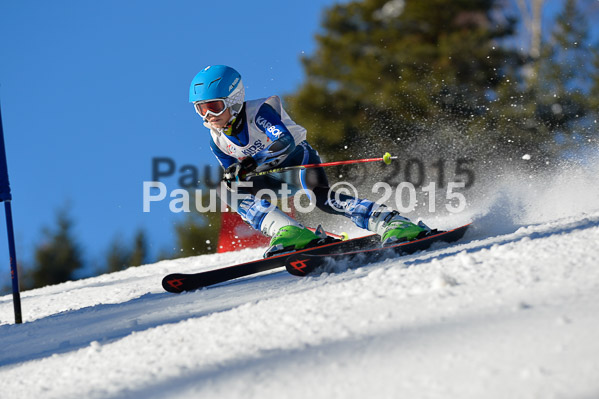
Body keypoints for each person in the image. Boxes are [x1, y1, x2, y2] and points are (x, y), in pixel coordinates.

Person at [189, 65, 429, 256]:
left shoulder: (258, 113)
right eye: (201, 109)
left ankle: (392, 222)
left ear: (234, 99)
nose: (209, 116)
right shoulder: (217, 141)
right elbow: (232, 171)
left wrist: (251, 163)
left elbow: (284, 141)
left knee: (323, 200)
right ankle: (289, 231)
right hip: (272, 179)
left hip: (298, 162)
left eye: (214, 107)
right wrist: (234, 174)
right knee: (227, 189)